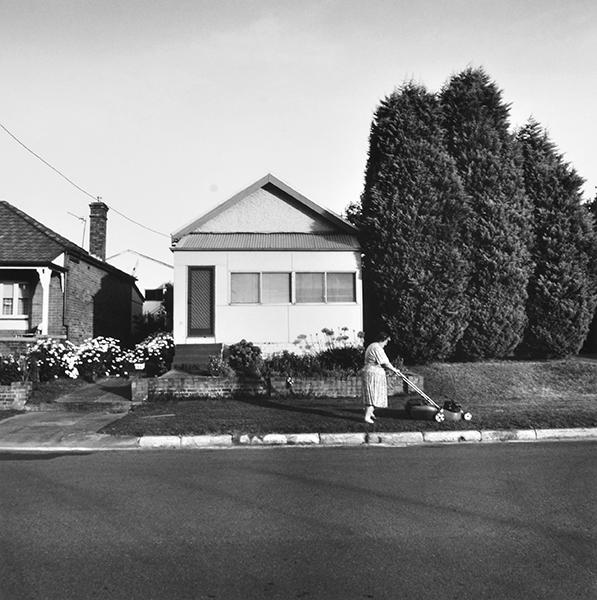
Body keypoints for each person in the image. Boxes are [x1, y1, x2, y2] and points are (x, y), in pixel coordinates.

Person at [362, 331, 400, 423]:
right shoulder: (377, 348)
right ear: (383, 339)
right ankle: (367, 417)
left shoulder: (372, 345)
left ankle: (370, 413)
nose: (386, 343)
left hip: (371, 372)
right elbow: (384, 362)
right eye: (386, 341)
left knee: (373, 394)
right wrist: (394, 370)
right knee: (373, 395)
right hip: (373, 374)